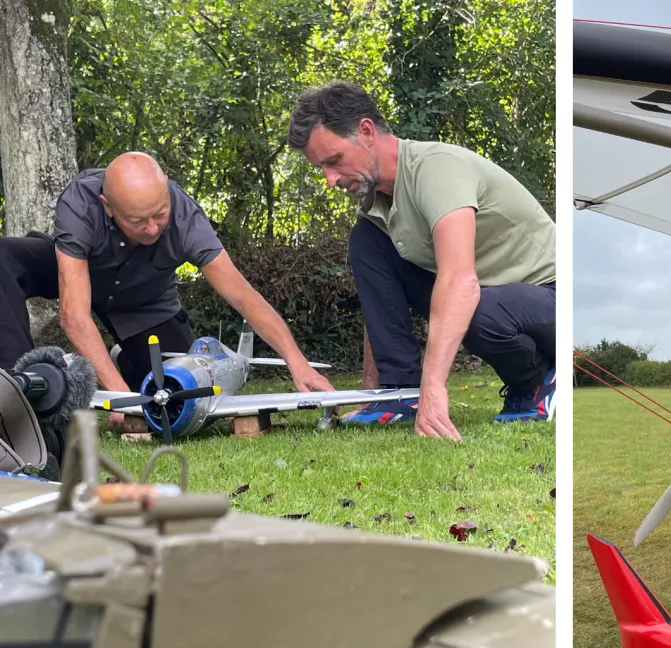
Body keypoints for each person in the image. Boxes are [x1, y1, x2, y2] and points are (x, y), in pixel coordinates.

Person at [287, 81, 556, 440]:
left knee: (473, 307)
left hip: (553, 297)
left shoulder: (436, 170)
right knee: (366, 240)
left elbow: (460, 282)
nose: (330, 179)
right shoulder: (377, 203)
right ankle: (400, 392)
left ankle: (535, 382)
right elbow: (379, 299)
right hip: (496, 295)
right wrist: (374, 392)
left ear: (366, 132)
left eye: (333, 161)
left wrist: (434, 387)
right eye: (321, 168)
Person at [0, 152, 335, 431]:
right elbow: (73, 315)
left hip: (144, 302)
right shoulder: (81, 202)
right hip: (77, 274)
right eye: (136, 221)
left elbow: (243, 296)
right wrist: (120, 397)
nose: (152, 229)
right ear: (107, 206)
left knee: (177, 396)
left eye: (160, 215)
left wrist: (297, 363)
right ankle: (20, 392)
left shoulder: (187, 219)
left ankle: (125, 361)